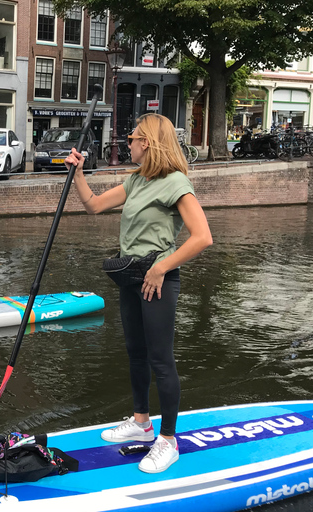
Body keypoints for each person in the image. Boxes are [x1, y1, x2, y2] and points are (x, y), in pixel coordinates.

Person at [65, 113, 213, 473]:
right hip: (132, 276)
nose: (126, 143)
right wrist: (78, 173)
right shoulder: (137, 181)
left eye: (131, 138)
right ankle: (142, 422)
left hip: (158, 279)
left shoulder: (176, 182)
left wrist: (162, 267)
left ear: (145, 142)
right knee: (135, 353)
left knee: (161, 359)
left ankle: (168, 440)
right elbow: (94, 205)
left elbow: (202, 236)